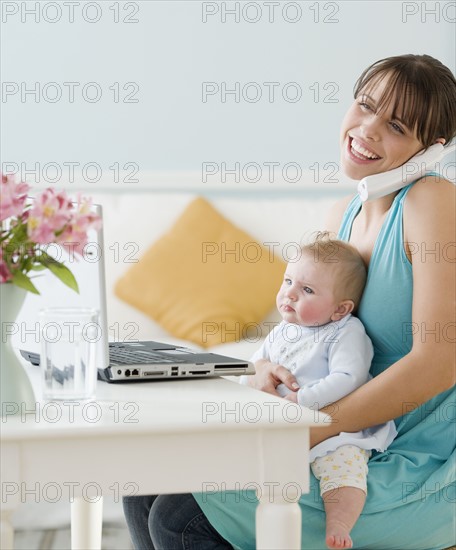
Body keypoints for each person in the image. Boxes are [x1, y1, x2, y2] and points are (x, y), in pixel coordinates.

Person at [123, 54, 456, 549]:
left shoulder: (432, 200)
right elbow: (302, 332)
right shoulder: (341, 213)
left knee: (180, 516)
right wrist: (262, 373)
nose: (366, 130)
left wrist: (309, 431)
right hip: (332, 430)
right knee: (144, 485)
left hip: (407, 452)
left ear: (431, 150)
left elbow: (440, 361)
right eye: (365, 106)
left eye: (396, 125)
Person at [240, 231, 397, 549]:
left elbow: (349, 377)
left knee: (343, 468)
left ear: (340, 309)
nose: (290, 295)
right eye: (288, 282)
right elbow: (254, 367)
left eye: (307, 289)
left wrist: (303, 399)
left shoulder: (345, 331)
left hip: (336, 428)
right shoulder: (283, 329)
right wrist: (255, 379)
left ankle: (339, 521)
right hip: (284, 421)